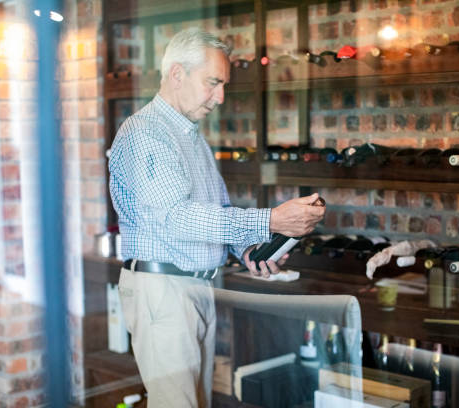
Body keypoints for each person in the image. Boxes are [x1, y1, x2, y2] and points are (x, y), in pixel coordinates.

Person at [108, 27, 325, 408]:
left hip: (195, 289)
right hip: (163, 291)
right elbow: (177, 219)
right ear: (177, 74)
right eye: (213, 83)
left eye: (222, 84)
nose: (220, 97)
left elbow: (218, 211)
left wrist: (251, 248)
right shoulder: (145, 133)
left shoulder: (191, 137)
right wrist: (270, 220)